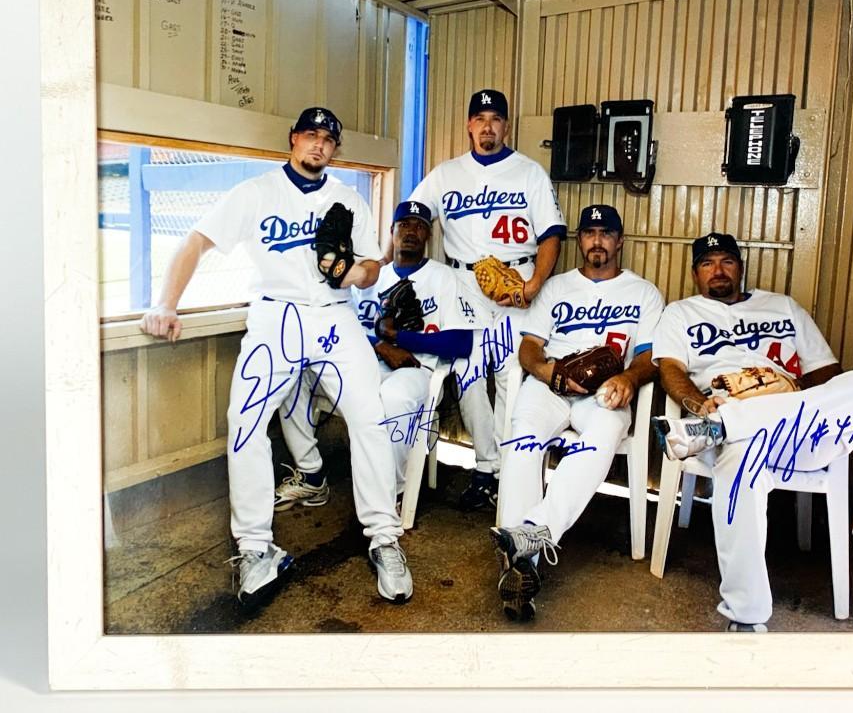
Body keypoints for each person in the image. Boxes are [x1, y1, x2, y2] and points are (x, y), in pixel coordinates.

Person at [139, 106, 413, 608]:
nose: (319, 145)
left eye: (329, 139)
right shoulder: (256, 193)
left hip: (333, 316)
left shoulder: (348, 198)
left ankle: (383, 536)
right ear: (293, 140)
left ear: (335, 149)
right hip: (276, 316)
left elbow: (374, 266)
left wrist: (354, 272)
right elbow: (196, 242)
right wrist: (165, 303)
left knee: (370, 418)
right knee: (244, 423)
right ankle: (254, 546)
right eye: (311, 135)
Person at [650, 231, 853, 632]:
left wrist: (790, 401)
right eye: (707, 263)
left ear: (741, 267)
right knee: (741, 457)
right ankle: (747, 618)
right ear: (695, 273)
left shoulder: (783, 307)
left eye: (727, 261)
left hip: (797, 429)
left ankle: (713, 429)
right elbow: (669, 370)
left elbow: (827, 375)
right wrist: (701, 405)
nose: (718, 270)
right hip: (734, 419)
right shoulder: (682, 313)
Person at [489, 205, 665, 621]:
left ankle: (529, 540)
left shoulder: (643, 293)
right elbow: (529, 347)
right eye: (589, 232)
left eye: (606, 233)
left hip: (605, 388)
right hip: (554, 383)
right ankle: (523, 562)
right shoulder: (556, 287)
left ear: (619, 241)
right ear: (580, 240)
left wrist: (631, 380)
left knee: (604, 432)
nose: (597, 240)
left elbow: (648, 357)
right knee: (521, 440)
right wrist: (548, 373)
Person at [408, 89, 567, 511]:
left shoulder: (529, 172)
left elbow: (552, 234)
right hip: (465, 283)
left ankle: (504, 473)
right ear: (468, 125)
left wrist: (534, 284)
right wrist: (389, 264)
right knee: (469, 373)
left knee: (511, 376)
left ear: (506, 126)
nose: (487, 126)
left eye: (495, 118)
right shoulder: (445, 174)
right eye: (479, 118)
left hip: (517, 279)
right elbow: (411, 215)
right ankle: (485, 467)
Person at [274, 199, 484, 506]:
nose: (411, 231)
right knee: (292, 376)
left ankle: (392, 493)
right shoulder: (371, 278)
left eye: (420, 227)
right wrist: (380, 344)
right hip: (361, 364)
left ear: (428, 235)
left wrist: (402, 339)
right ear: (392, 231)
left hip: (416, 371)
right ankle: (312, 475)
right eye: (404, 225)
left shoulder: (443, 278)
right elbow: (342, 325)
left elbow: (461, 344)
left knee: (393, 400)